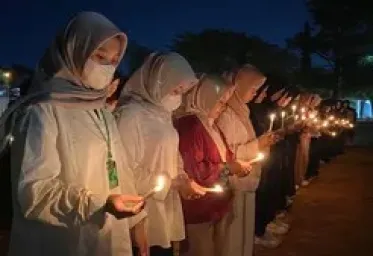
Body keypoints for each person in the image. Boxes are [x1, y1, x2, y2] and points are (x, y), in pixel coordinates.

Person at [7, 12, 146, 256]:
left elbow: (118, 169)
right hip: (64, 241)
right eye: (99, 57)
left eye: (113, 61)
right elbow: (35, 192)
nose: (107, 68)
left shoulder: (100, 109)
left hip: (108, 235)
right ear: (74, 53)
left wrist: (136, 226)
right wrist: (96, 204)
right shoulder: (42, 111)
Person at [115, 52, 205, 256]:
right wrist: (172, 182)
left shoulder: (163, 114)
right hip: (142, 211)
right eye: (176, 88)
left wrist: (182, 177)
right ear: (158, 81)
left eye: (183, 91)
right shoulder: (131, 115)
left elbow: (173, 155)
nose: (178, 96)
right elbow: (123, 170)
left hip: (165, 206)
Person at [174, 75, 250, 256]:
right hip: (199, 208)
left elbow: (225, 156)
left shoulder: (211, 125)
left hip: (217, 205)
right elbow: (192, 169)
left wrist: (237, 166)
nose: (222, 108)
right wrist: (228, 168)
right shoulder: (191, 126)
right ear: (205, 97)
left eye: (225, 103)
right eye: (220, 102)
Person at [215, 64, 268, 256]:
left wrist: (260, 144)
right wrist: (258, 145)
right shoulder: (226, 114)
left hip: (245, 181)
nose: (255, 94)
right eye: (252, 89)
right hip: (233, 183)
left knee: (243, 231)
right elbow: (227, 153)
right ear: (237, 86)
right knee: (232, 236)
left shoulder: (242, 111)